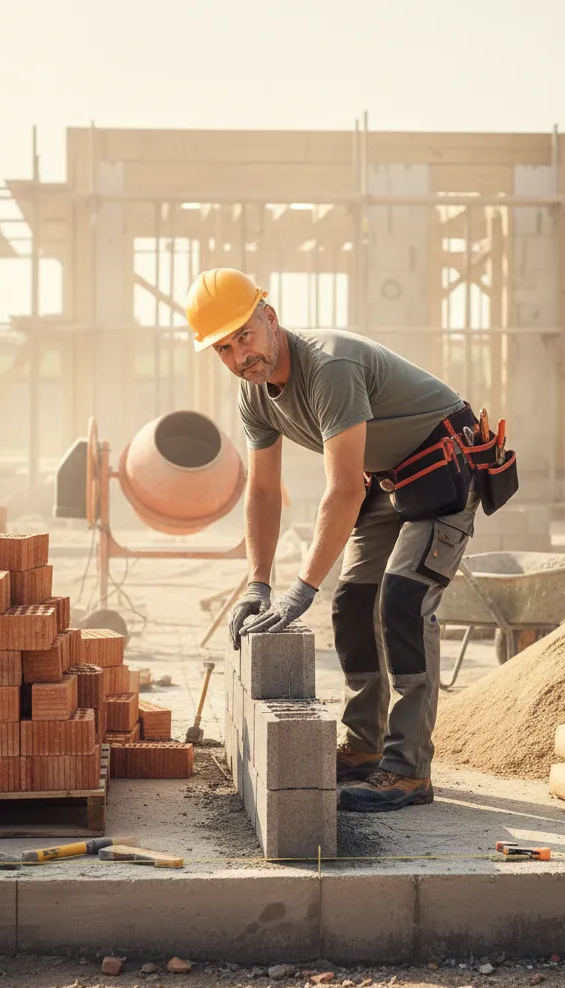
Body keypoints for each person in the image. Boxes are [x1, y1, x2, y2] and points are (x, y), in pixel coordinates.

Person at [185, 268, 496, 813]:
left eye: (245, 335)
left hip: (444, 465)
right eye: (224, 348)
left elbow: (344, 487)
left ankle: (407, 771)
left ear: (270, 318)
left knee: (402, 598)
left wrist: (300, 589)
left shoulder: (329, 367)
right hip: (390, 478)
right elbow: (262, 491)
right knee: (352, 601)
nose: (240, 356)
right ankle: (363, 747)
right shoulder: (254, 396)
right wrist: (260, 582)